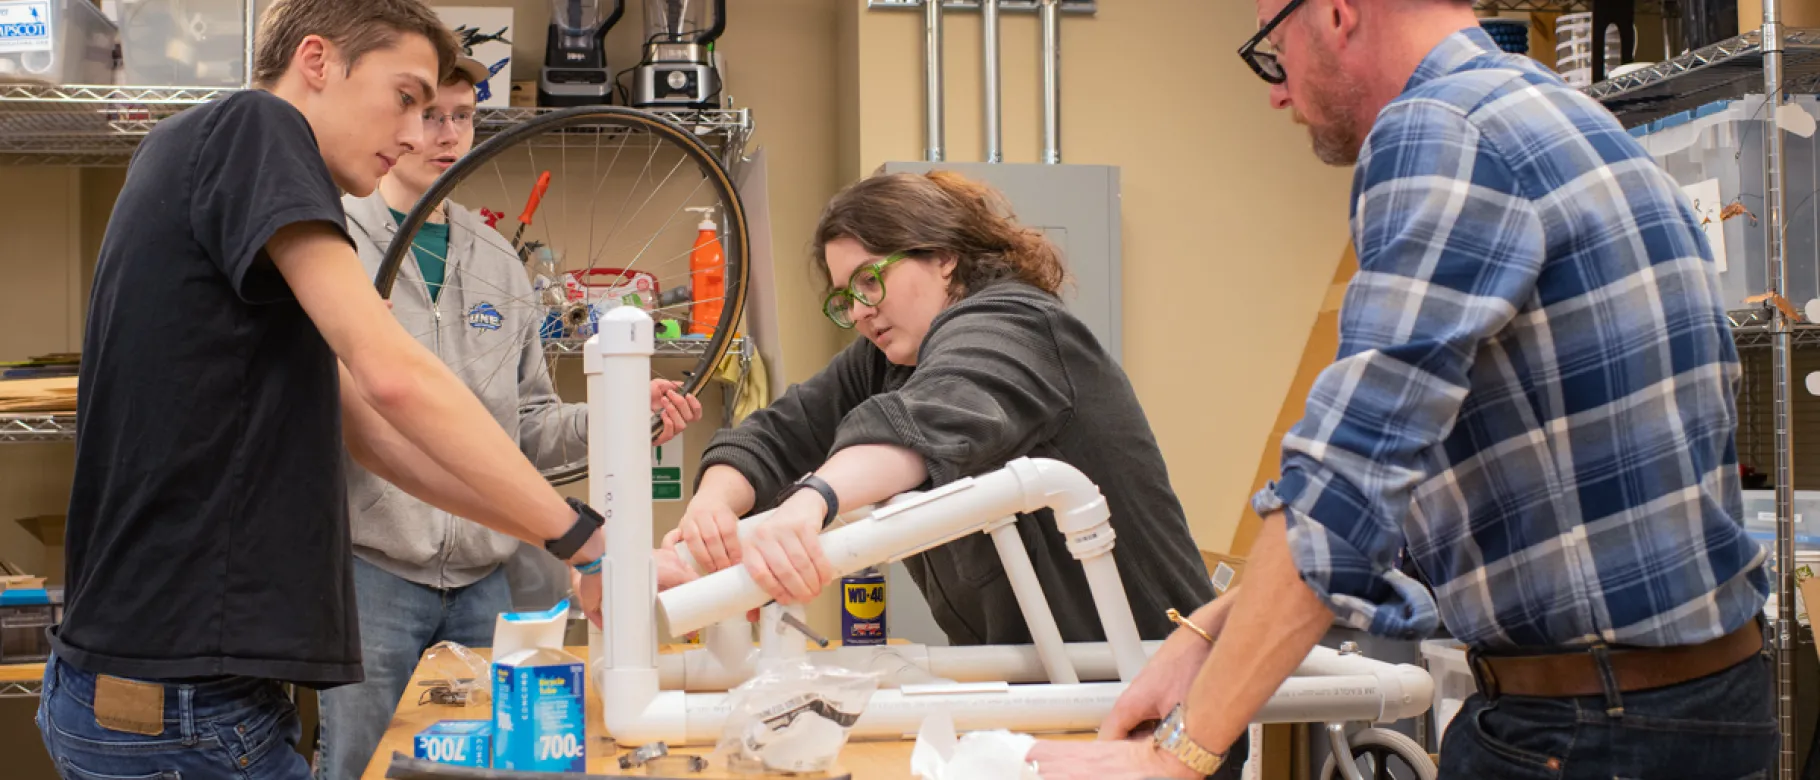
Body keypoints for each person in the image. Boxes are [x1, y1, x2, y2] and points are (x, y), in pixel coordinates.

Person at [1027, 1, 1772, 778]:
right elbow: (1489, 499)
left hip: (1596, 727)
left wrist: (1174, 758)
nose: (1276, 92)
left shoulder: (1441, 129)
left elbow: (1345, 485)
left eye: (1272, 50)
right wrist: (1211, 632)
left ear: (1340, 14)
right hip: (1684, 703)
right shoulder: (1557, 115)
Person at [39, 2, 632, 778]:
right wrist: (583, 536)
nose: (420, 135)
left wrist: (579, 548)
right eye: (406, 98)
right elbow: (393, 377)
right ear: (317, 62)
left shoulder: (219, 173)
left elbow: (375, 439)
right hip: (177, 711)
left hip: (173, 696)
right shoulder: (257, 127)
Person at [670, 172, 1229, 738]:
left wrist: (812, 500)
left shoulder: (1017, 324)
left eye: (869, 279)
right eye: (844, 297)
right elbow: (775, 433)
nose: (860, 311)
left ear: (942, 256)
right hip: (1050, 702)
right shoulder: (886, 361)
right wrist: (711, 509)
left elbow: (930, 415)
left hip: (1161, 705)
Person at [314, 56, 703, 780]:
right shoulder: (329, 237)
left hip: (487, 582)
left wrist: (619, 412)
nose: (449, 135)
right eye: (431, 115)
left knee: (508, 766)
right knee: (358, 765)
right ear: (396, 117)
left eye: (463, 116)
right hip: (370, 571)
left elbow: (528, 429)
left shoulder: (497, 258)